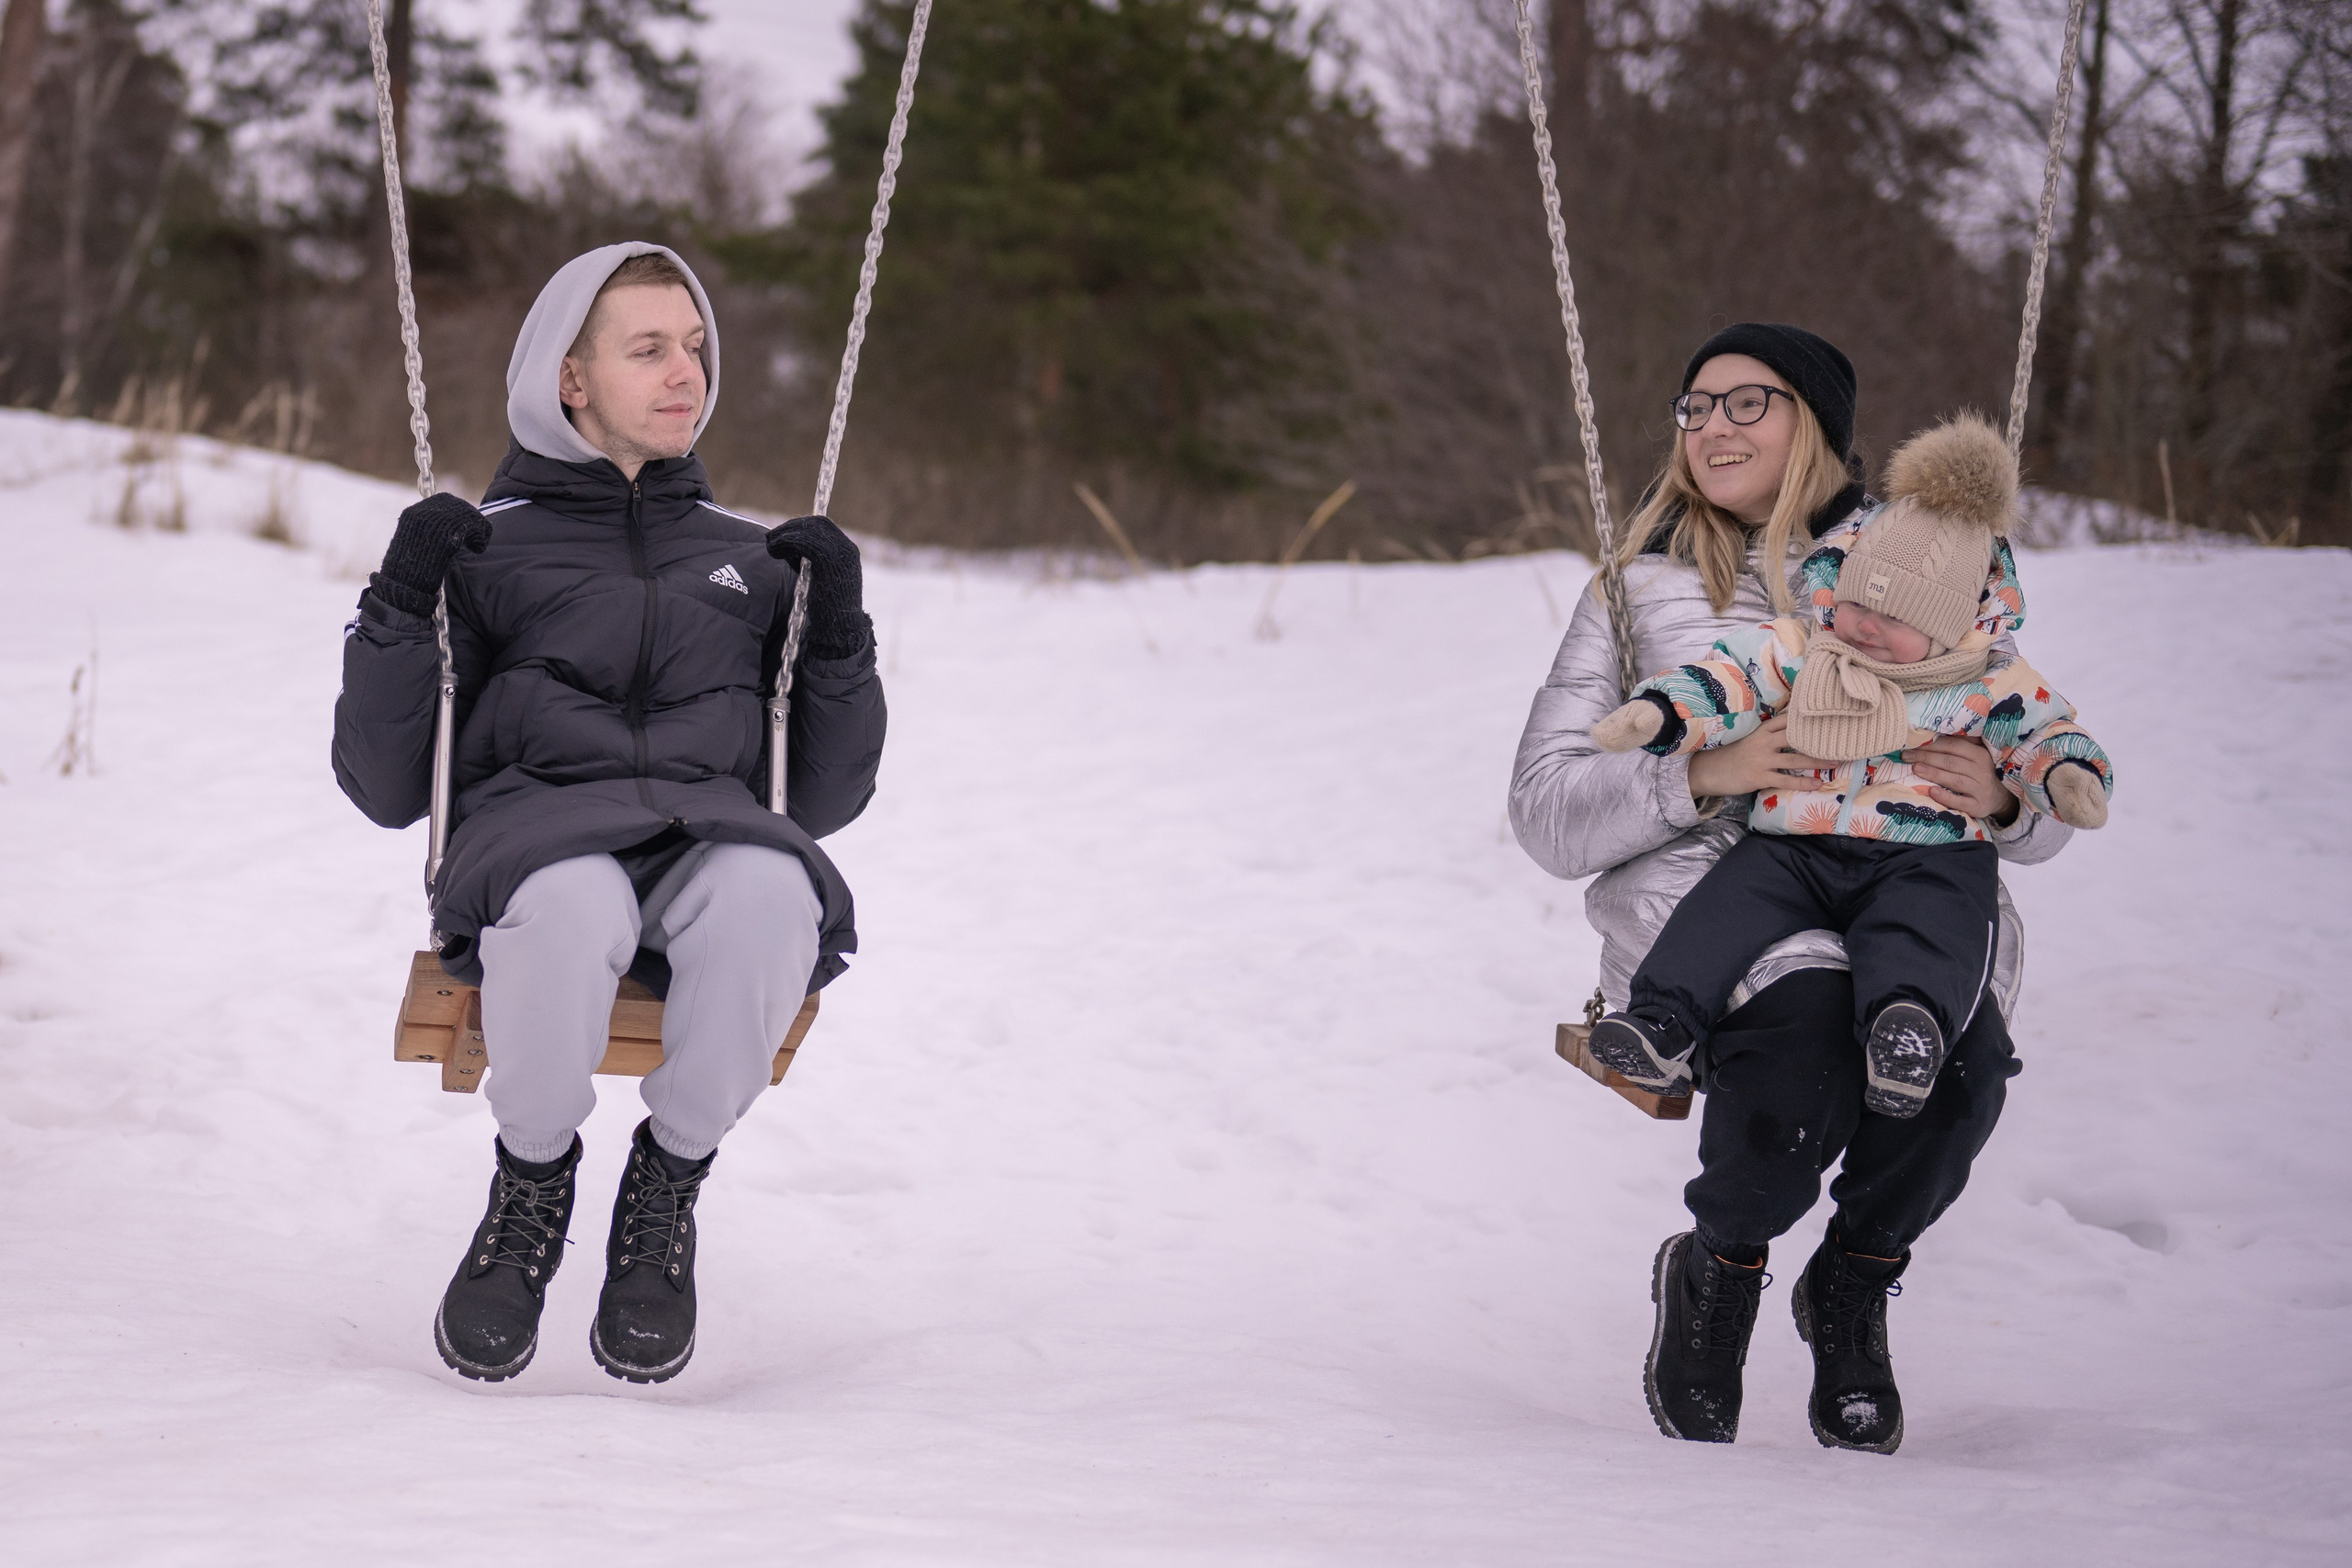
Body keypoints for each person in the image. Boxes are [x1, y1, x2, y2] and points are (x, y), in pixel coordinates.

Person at [1508, 324, 2074, 1455]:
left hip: (1912, 901)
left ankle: (1853, 1289)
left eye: (1745, 402)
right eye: (1693, 406)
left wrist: (2008, 801)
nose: (1710, 425)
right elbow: (1545, 806)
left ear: (1813, 418)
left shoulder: (1924, 564)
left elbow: (2029, 741)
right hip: (1713, 918)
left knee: (1957, 1083)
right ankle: (1718, 1270)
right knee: (1800, 1047)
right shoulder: (1641, 588)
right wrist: (1701, 773)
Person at [333, 243, 886, 1386]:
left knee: (777, 886)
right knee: (575, 894)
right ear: (569, 379)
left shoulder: (751, 560)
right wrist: (398, 600)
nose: (686, 373)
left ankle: (666, 1188)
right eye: (648, 350)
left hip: (705, 844)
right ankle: (531, 1186)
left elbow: (823, 799)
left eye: (694, 348)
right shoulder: (484, 553)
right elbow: (385, 787)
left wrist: (833, 631)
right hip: (538, 844)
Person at [1585, 412, 2113, 1115]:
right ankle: (1658, 1023)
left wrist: (2060, 778)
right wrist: (1662, 713)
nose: (1866, 624)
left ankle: (1906, 1033)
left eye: (1895, 619)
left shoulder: (1985, 679)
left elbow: (2045, 732)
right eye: (1860, 600)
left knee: (1928, 928)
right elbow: (1733, 676)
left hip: (1926, 851)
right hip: (1797, 842)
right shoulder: (1810, 645)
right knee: (1721, 908)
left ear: (1949, 628)